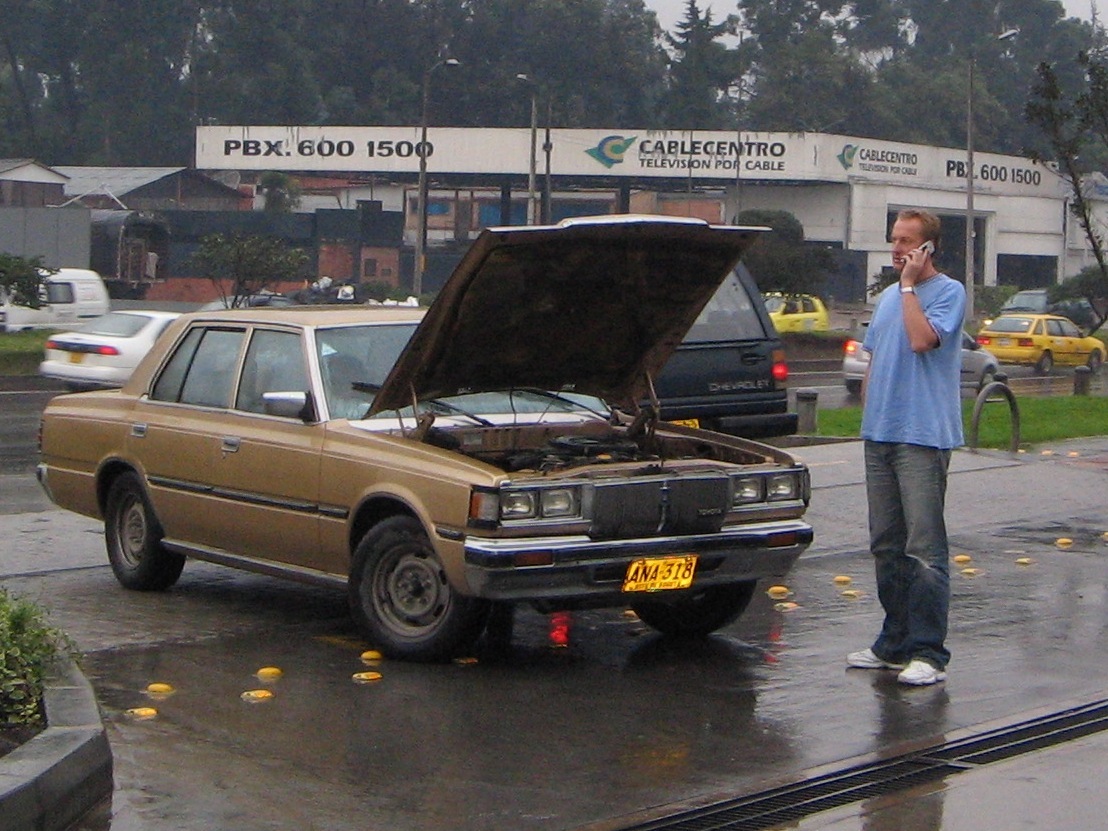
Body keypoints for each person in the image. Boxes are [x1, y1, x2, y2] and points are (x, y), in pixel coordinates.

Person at [846, 209, 966, 686]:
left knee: (924, 548)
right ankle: (893, 642)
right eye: (894, 239)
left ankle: (929, 652)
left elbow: (921, 341)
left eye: (907, 242)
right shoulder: (888, 298)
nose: (897, 249)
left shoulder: (948, 293)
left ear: (928, 248)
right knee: (886, 545)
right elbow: (875, 358)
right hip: (881, 435)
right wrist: (869, 415)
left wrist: (911, 287)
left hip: (923, 436)